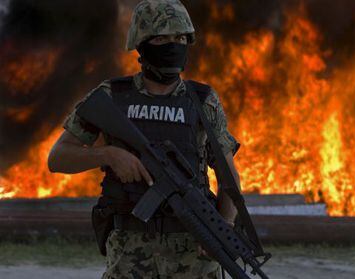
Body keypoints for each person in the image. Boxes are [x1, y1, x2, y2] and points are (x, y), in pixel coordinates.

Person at [48, 0, 241, 278]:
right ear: (142, 43)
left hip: (193, 252)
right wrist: (109, 155)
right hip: (130, 251)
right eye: (162, 38)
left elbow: (228, 174)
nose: (173, 45)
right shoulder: (113, 96)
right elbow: (58, 158)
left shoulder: (202, 101)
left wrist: (225, 227)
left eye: (181, 38)